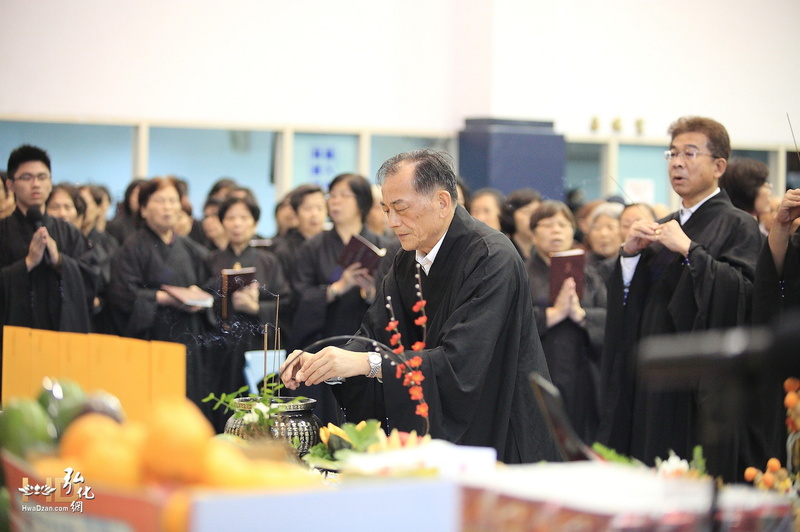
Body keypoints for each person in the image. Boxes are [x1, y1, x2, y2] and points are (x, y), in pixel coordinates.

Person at [280, 149, 558, 464]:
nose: (392, 222)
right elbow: (376, 334)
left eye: (401, 208)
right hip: (436, 435)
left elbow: (461, 362)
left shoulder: (491, 256)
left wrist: (366, 364)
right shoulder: (406, 260)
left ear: (441, 202)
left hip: (500, 425)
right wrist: (329, 364)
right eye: (386, 209)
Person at [597, 117, 764, 482]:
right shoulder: (665, 223)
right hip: (653, 377)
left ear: (719, 165)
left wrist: (690, 250)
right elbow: (635, 303)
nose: (677, 162)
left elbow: (744, 294)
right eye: (672, 153)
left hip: (697, 383)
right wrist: (629, 257)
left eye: (690, 153)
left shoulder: (739, 225)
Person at [287, 173, 390, 425]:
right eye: (332, 196)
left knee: (363, 423)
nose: (335, 202)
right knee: (322, 422)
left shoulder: (384, 246)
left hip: (364, 347)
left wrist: (370, 293)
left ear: (362, 203)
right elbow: (297, 298)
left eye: (344, 195)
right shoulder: (312, 247)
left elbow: (392, 302)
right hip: (322, 341)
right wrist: (336, 288)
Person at [0, 145, 98, 397]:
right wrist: (26, 265)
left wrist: (60, 261)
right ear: (10, 184)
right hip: (13, 340)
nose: (36, 184)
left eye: (42, 177)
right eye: (26, 177)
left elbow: (91, 280)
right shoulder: (2, 231)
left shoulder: (69, 233)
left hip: (60, 336)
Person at [109, 176, 213, 413]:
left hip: (189, 336)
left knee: (189, 400)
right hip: (153, 337)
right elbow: (122, 295)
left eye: (173, 201)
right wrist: (167, 298)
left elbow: (207, 287)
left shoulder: (190, 248)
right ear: (144, 209)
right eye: (160, 201)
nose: (168, 207)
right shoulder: (132, 248)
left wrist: (201, 297)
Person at [204, 195, 292, 431]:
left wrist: (256, 308)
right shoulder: (210, 259)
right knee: (223, 400)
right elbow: (204, 300)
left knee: (261, 403)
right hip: (223, 344)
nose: (237, 223)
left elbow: (285, 302)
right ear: (222, 223)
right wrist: (222, 300)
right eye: (231, 218)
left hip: (257, 343)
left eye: (244, 217)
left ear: (254, 223)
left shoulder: (269, 261)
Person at [526, 200, 607, 443]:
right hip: (540, 372)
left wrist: (582, 316)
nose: (556, 231)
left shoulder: (591, 275)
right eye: (548, 225)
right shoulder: (521, 273)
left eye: (563, 224)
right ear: (533, 234)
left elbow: (610, 318)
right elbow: (509, 321)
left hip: (584, 375)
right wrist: (553, 314)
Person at [584, 202, 624, 284]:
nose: (603, 234)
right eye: (597, 228)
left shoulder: (630, 265)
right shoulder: (583, 265)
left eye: (610, 227)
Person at [500, 188, 542, 260]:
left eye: (537, 213)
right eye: (527, 212)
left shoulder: (545, 250)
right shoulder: (503, 250)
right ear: (511, 216)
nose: (533, 218)